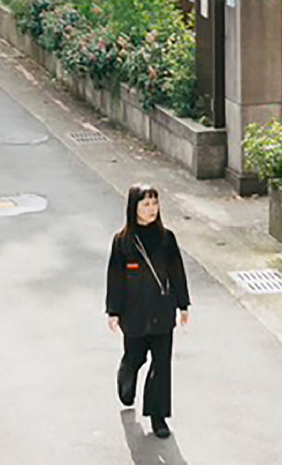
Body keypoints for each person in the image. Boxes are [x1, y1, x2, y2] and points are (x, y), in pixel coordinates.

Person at [106, 183, 190, 439]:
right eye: (146, 204)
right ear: (134, 208)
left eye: (155, 203)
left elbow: (177, 272)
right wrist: (113, 311)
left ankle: (158, 417)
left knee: (161, 363)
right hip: (134, 314)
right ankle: (126, 374)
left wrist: (183, 304)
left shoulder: (167, 238)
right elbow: (115, 278)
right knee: (136, 356)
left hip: (162, 311)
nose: (151, 209)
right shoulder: (122, 242)